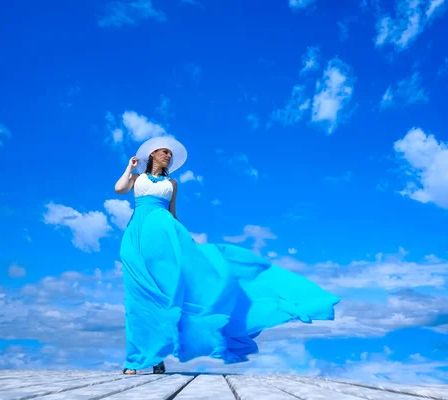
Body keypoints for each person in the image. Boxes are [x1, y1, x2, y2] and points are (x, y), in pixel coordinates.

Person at [114, 136, 341, 375]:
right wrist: (130, 167)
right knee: (138, 299)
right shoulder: (137, 178)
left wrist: (190, 244)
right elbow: (119, 189)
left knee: (169, 296)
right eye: (163, 152)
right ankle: (137, 358)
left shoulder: (172, 183)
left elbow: (173, 215)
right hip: (137, 239)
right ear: (152, 155)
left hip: (166, 239)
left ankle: (155, 356)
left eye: (170, 153)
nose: (167, 155)